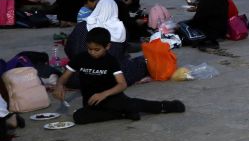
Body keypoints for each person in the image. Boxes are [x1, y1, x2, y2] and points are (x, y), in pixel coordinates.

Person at [52, 27, 185, 124]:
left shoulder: (110, 60)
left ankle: (164, 106)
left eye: (97, 49)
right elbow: (65, 76)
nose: (93, 52)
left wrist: (104, 94)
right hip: (91, 102)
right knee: (79, 117)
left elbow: (122, 84)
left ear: (107, 46)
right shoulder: (81, 58)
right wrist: (59, 85)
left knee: (132, 104)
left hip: (112, 98)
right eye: (90, 49)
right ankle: (122, 115)